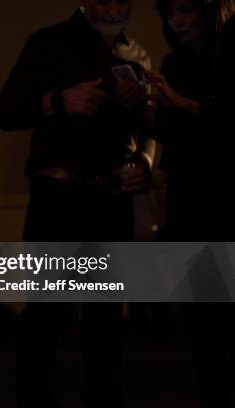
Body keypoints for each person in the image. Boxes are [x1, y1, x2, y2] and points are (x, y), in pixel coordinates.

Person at [0, 1, 154, 407]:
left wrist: (145, 161)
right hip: (58, 199)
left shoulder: (136, 54)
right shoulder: (48, 42)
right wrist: (57, 101)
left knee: (107, 323)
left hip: (113, 198)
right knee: (47, 317)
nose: (114, 7)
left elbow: (152, 129)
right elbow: (6, 111)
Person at [148, 1, 235, 406]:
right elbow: (167, 137)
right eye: (169, 13)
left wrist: (186, 105)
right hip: (189, 202)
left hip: (224, 199)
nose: (176, 21)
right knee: (202, 325)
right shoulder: (175, 61)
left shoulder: (226, 53)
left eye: (184, 10)